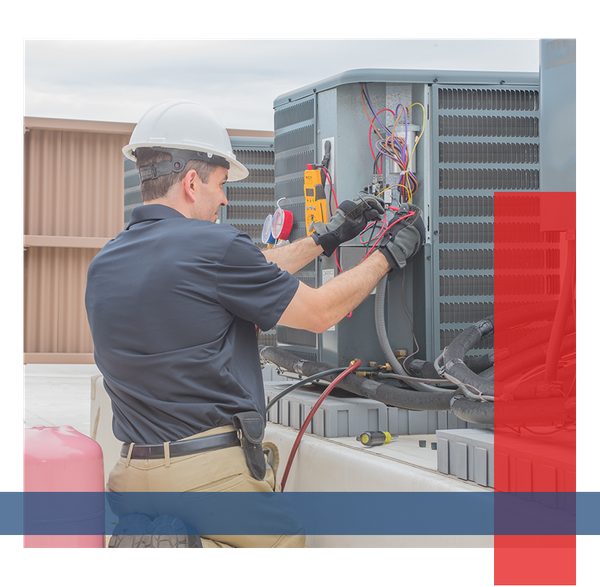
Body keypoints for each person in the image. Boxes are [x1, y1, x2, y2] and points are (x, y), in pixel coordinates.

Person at [85, 99, 424, 549]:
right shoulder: (214, 247)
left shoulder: (106, 261)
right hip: (204, 476)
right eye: (222, 185)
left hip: (129, 476)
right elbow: (320, 312)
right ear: (191, 182)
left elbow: (250, 269)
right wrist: (387, 254)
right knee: (285, 540)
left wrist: (326, 239)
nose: (226, 199)